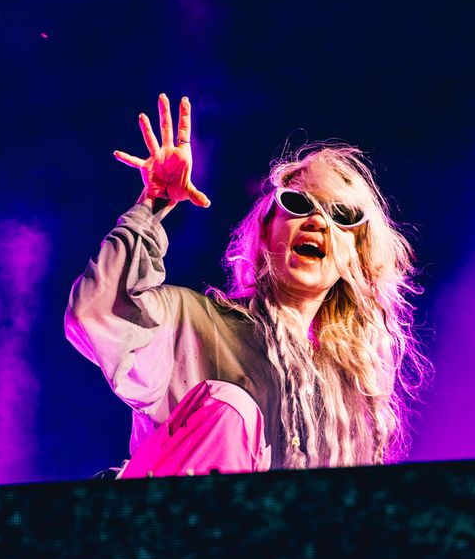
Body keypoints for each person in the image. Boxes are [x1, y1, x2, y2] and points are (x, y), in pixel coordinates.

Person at [65, 93, 428, 477]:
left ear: (355, 254)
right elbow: (95, 314)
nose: (318, 221)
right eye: (299, 204)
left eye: (341, 215)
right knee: (229, 405)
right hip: (163, 527)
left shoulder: (346, 396)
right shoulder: (195, 322)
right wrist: (152, 205)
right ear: (266, 233)